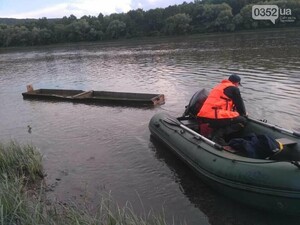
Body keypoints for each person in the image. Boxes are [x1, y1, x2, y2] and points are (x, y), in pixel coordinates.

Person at [197, 74, 247, 145]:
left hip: (204, 116)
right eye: (238, 84)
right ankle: (217, 137)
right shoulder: (234, 88)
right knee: (243, 121)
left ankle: (213, 135)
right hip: (215, 116)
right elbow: (240, 105)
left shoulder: (219, 86)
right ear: (237, 83)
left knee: (228, 117)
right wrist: (244, 114)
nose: (238, 86)